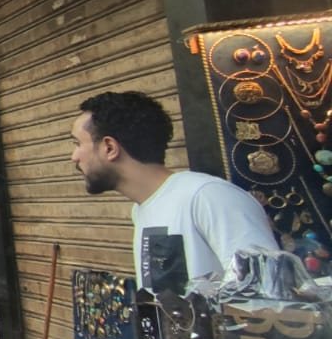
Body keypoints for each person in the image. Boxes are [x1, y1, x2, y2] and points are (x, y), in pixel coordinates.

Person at [70, 91, 278, 292]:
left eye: (78, 144)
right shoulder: (141, 209)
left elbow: (265, 295)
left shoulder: (209, 197)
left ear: (109, 147)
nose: (74, 157)